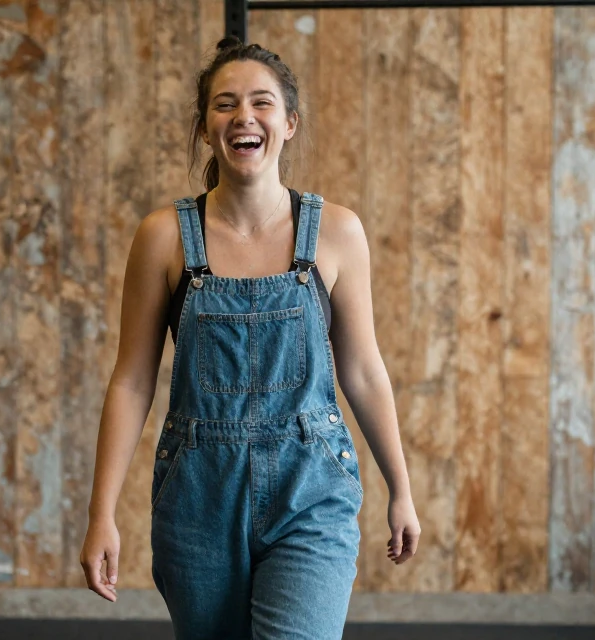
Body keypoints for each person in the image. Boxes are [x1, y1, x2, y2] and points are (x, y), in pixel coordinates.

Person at [79, 36, 420, 639]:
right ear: (207, 127)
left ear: (288, 123)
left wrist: (401, 488)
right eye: (224, 104)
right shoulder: (164, 238)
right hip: (197, 500)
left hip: (310, 492)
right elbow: (131, 382)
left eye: (262, 103)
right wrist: (100, 513)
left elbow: (363, 371)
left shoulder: (337, 233)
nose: (244, 116)